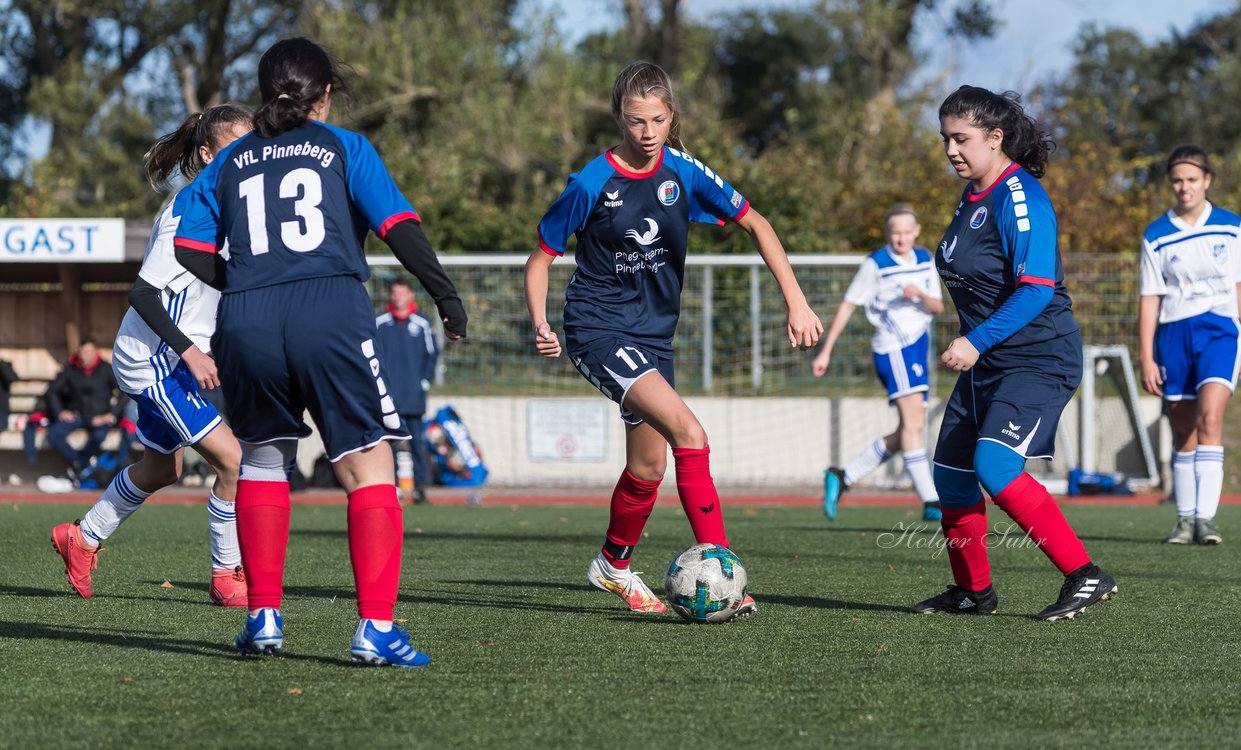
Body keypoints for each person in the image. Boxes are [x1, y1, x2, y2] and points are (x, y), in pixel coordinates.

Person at [174, 37, 467, 667]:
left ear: (262, 93)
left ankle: (264, 617)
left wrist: (245, 283)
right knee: (368, 465)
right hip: (329, 310)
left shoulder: (227, 162)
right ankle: (376, 630)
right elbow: (399, 229)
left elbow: (187, 249)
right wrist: (445, 297)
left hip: (246, 318)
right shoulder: (344, 148)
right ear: (325, 94)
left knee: (263, 457)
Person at [525, 60, 823, 617]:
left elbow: (756, 222)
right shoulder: (592, 182)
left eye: (658, 120)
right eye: (636, 121)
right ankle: (725, 570)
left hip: (654, 337)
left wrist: (797, 300)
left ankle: (613, 565)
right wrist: (540, 322)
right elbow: (540, 257)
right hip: (596, 329)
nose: (647, 132)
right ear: (619, 118)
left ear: (670, 117)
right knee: (691, 433)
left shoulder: (682, 171)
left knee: (648, 469)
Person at [912, 85, 1117, 622]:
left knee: (995, 467)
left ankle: (1085, 575)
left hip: (1038, 358)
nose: (952, 150)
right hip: (992, 362)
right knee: (951, 475)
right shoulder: (972, 195)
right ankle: (972, 592)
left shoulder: (1019, 196)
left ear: (995, 137)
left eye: (962, 139)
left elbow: (1036, 288)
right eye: (945, 140)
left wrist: (975, 340)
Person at [50, 104, 254, 606]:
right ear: (207, 155)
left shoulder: (230, 206)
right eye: (235, 149)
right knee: (233, 460)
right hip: (155, 359)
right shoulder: (190, 208)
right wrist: (191, 353)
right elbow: (142, 294)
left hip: (168, 357)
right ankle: (226, 576)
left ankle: (82, 537)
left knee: (164, 469)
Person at [1139, 146, 1241, 546]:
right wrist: (1146, 356)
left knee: (1211, 418)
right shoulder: (1156, 234)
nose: (1184, 187)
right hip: (1173, 334)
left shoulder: (1231, 226)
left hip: (1220, 333)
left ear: (1207, 180)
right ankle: (1185, 519)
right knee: (1183, 429)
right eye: (1177, 180)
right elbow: (1150, 299)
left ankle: (1206, 520)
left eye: (1192, 179)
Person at [812, 203, 944, 522]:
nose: (900, 238)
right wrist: (826, 350)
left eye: (906, 232)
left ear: (916, 232)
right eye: (894, 232)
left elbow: (938, 306)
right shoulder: (876, 264)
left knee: (907, 430)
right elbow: (848, 305)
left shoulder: (926, 259)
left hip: (918, 346)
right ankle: (931, 500)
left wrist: (918, 295)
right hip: (893, 348)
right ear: (888, 234)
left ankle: (842, 477)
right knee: (914, 425)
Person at [375, 276, 441, 504]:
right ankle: (390, 489)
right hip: (388, 398)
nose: (398, 297)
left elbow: (432, 355)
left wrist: (424, 380)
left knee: (416, 443)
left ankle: (420, 489)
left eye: (402, 293)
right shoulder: (380, 322)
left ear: (410, 295)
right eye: (395, 293)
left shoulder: (422, 323)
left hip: (413, 396)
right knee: (388, 445)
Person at [44, 337, 126, 475]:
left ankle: (80, 466)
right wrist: (60, 412)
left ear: (96, 352)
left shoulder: (106, 369)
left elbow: (124, 392)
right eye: (82, 351)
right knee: (53, 434)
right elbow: (52, 391)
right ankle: (80, 463)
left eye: (88, 351)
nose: (85, 355)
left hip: (99, 418)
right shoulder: (71, 369)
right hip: (78, 416)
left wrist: (111, 414)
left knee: (99, 436)